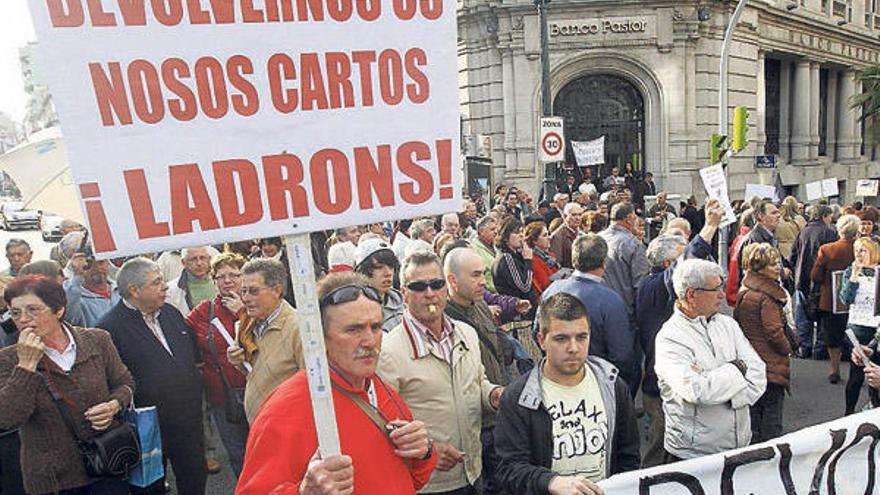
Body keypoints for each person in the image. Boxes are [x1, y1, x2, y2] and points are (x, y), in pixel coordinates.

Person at [236, 272, 436, 494]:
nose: (370, 341)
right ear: (321, 337)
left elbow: (412, 479)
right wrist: (304, 493)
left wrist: (423, 451)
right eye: (354, 329)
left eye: (376, 327)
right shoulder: (285, 410)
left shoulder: (379, 388)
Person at [379, 252, 503, 495]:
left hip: (474, 472)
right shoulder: (388, 351)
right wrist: (429, 449)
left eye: (436, 284)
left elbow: (478, 383)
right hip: (430, 484)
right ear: (403, 293)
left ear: (446, 287)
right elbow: (383, 426)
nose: (429, 293)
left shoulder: (466, 333)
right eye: (418, 286)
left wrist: (494, 395)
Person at [0, 276, 134, 495]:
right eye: (15, 313)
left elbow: (124, 382)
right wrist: (26, 365)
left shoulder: (97, 340)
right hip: (55, 481)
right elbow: (8, 417)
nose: (23, 319)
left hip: (107, 463)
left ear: (58, 310)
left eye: (33, 310)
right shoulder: (7, 359)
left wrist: (114, 405)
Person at [495, 292, 640, 495]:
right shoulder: (518, 398)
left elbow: (629, 456)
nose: (573, 348)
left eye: (581, 337)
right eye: (561, 339)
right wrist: (551, 482)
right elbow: (509, 469)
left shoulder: (613, 385)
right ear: (541, 340)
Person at [98, 258, 206, 495]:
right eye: (156, 282)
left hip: (188, 422)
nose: (165, 286)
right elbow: (112, 381)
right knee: (150, 488)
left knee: (195, 477)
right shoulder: (109, 329)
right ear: (134, 290)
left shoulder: (170, 313)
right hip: (146, 428)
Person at [655, 259, 766, 461]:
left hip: (740, 446)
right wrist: (737, 369)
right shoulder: (670, 337)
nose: (722, 295)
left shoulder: (728, 325)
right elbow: (697, 391)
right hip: (694, 455)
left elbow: (758, 374)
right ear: (692, 295)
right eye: (715, 289)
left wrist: (725, 392)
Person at [443, 247, 515, 495]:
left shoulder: (481, 305)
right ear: (452, 280)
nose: (482, 281)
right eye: (474, 275)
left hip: (497, 416)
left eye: (483, 274)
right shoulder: (444, 323)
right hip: (474, 428)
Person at [540, 234, 637, 393]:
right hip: (598, 386)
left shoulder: (551, 290)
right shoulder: (610, 300)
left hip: (556, 381)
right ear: (604, 263)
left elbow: (538, 332)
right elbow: (621, 355)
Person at [184, 253, 249, 477]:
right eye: (220, 276)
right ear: (214, 282)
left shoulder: (258, 305)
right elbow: (180, 331)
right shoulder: (204, 311)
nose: (227, 281)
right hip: (223, 397)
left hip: (259, 392)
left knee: (268, 449)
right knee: (237, 453)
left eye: (234, 275)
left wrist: (243, 312)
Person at [226, 258, 303, 423]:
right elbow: (256, 372)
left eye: (253, 291)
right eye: (243, 291)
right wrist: (238, 361)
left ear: (276, 290)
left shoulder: (298, 328)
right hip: (260, 425)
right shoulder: (247, 324)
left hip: (288, 426)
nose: (245, 298)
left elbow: (311, 384)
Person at [733, 243, 795, 444]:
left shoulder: (746, 290)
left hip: (751, 361)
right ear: (760, 268)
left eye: (778, 262)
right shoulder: (767, 297)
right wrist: (787, 348)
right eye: (773, 264)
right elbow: (774, 332)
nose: (778, 267)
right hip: (769, 363)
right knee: (771, 419)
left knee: (754, 417)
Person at [811, 214, 860, 384]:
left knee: (833, 336)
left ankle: (834, 369)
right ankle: (858, 370)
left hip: (831, 300)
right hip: (858, 301)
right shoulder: (862, 248)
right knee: (857, 336)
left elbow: (815, 276)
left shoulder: (827, 249)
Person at [838, 236, 880, 414]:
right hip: (858, 326)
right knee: (855, 376)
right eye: (856, 250)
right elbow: (845, 298)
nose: (859, 254)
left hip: (876, 327)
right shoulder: (850, 271)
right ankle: (848, 412)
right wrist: (854, 276)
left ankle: (874, 408)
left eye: (863, 250)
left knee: (874, 373)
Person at [789, 204, 837, 359]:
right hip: (822, 280)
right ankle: (819, 350)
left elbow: (793, 255)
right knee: (823, 313)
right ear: (825, 216)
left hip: (801, 278)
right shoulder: (829, 233)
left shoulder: (803, 231)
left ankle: (804, 347)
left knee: (802, 315)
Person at [599, 202, 650, 331]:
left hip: (599, 307)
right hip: (624, 312)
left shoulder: (597, 238)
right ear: (628, 219)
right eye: (634, 217)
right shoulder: (633, 244)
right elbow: (640, 283)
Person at [354, 238, 405, 331]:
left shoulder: (402, 303)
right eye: (379, 267)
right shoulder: (354, 309)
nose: (388, 273)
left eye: (391, 266)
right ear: (363, 271)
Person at [64, 248, 121, 328]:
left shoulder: (121, 290)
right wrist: (77, 277)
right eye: (89, 265)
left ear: (108, 263)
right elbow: (69, 319)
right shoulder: (76, 297)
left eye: (100, 262)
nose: (96, 268)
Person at [493, 218, 538, 312]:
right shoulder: (506, 258)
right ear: (505, 237)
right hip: (517, 312)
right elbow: (524, 286)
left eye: (522, 232)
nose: (521, 235)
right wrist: (528, 260)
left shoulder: (515, 255)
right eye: (516, 233)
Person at [166, 247, 217, 316]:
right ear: (183, 262)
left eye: (202, 258)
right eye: (193, 259)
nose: (199, 263)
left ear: (209, 259)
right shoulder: (170, 291)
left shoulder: (222, 283)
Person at [524, 221, 560, 297]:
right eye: (545, 235)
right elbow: (545, 285)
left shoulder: (550, 255)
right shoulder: (533, 260)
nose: (549, 238)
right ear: (534, 240)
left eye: (548, 234)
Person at [549, 203, 584, 269]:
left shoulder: (582, 233)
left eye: (580, 214)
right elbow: (557, 264)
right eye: (574, 215)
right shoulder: (557, 236)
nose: (578, 218)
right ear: (564, 216)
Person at [472, 216, 499, 292]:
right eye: (492, 229)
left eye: (496, 229)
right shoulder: (474, 249)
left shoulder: (496, 246)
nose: (496, 232)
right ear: (481, 231)